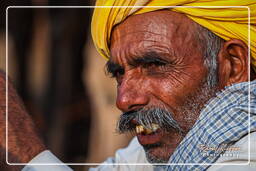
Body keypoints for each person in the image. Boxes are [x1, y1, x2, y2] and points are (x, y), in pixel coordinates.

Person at [0, 0, 256, 171]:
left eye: (155, 65)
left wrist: (24, 147)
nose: (123, 100)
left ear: (232, 65)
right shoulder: (181, 140)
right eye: (119, 73)